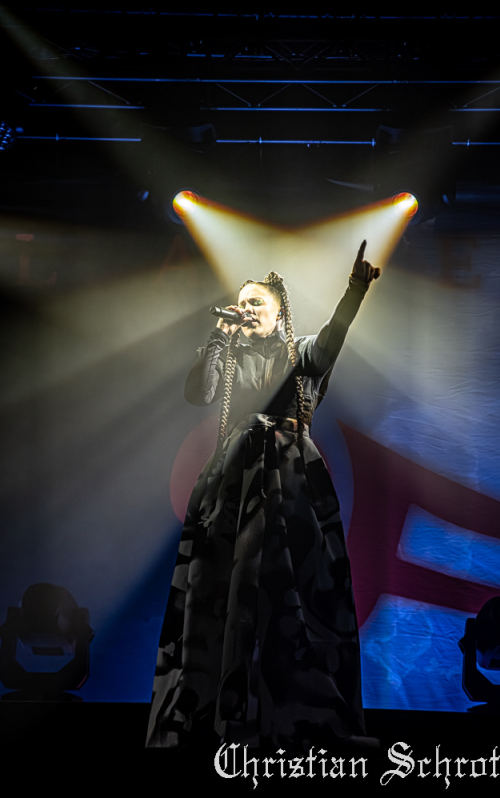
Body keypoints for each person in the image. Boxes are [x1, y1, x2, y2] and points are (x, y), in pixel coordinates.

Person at [146, 241, 380, 753]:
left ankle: (298, 711)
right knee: (223, 588)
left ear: (280, 315)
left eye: (256, 303)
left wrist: (354, 290)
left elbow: (332, 341)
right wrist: (218, 336)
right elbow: (198, 394)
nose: (245, 308)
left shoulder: (302, 353)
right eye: (241, 302)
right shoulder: (228, 355)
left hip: (290, 479)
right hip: (236, 480)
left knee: (291, 587)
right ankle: (213, 710)